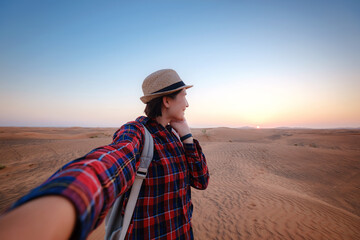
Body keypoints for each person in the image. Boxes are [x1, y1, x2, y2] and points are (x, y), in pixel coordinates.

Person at [0, 69, 210, 240]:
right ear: (167, 100)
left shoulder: (177, 136)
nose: (187, 103)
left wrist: (188, 139)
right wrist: (65, 201)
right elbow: (109, 163)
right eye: (184, 95)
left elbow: (201, 181)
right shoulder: (136, 132)